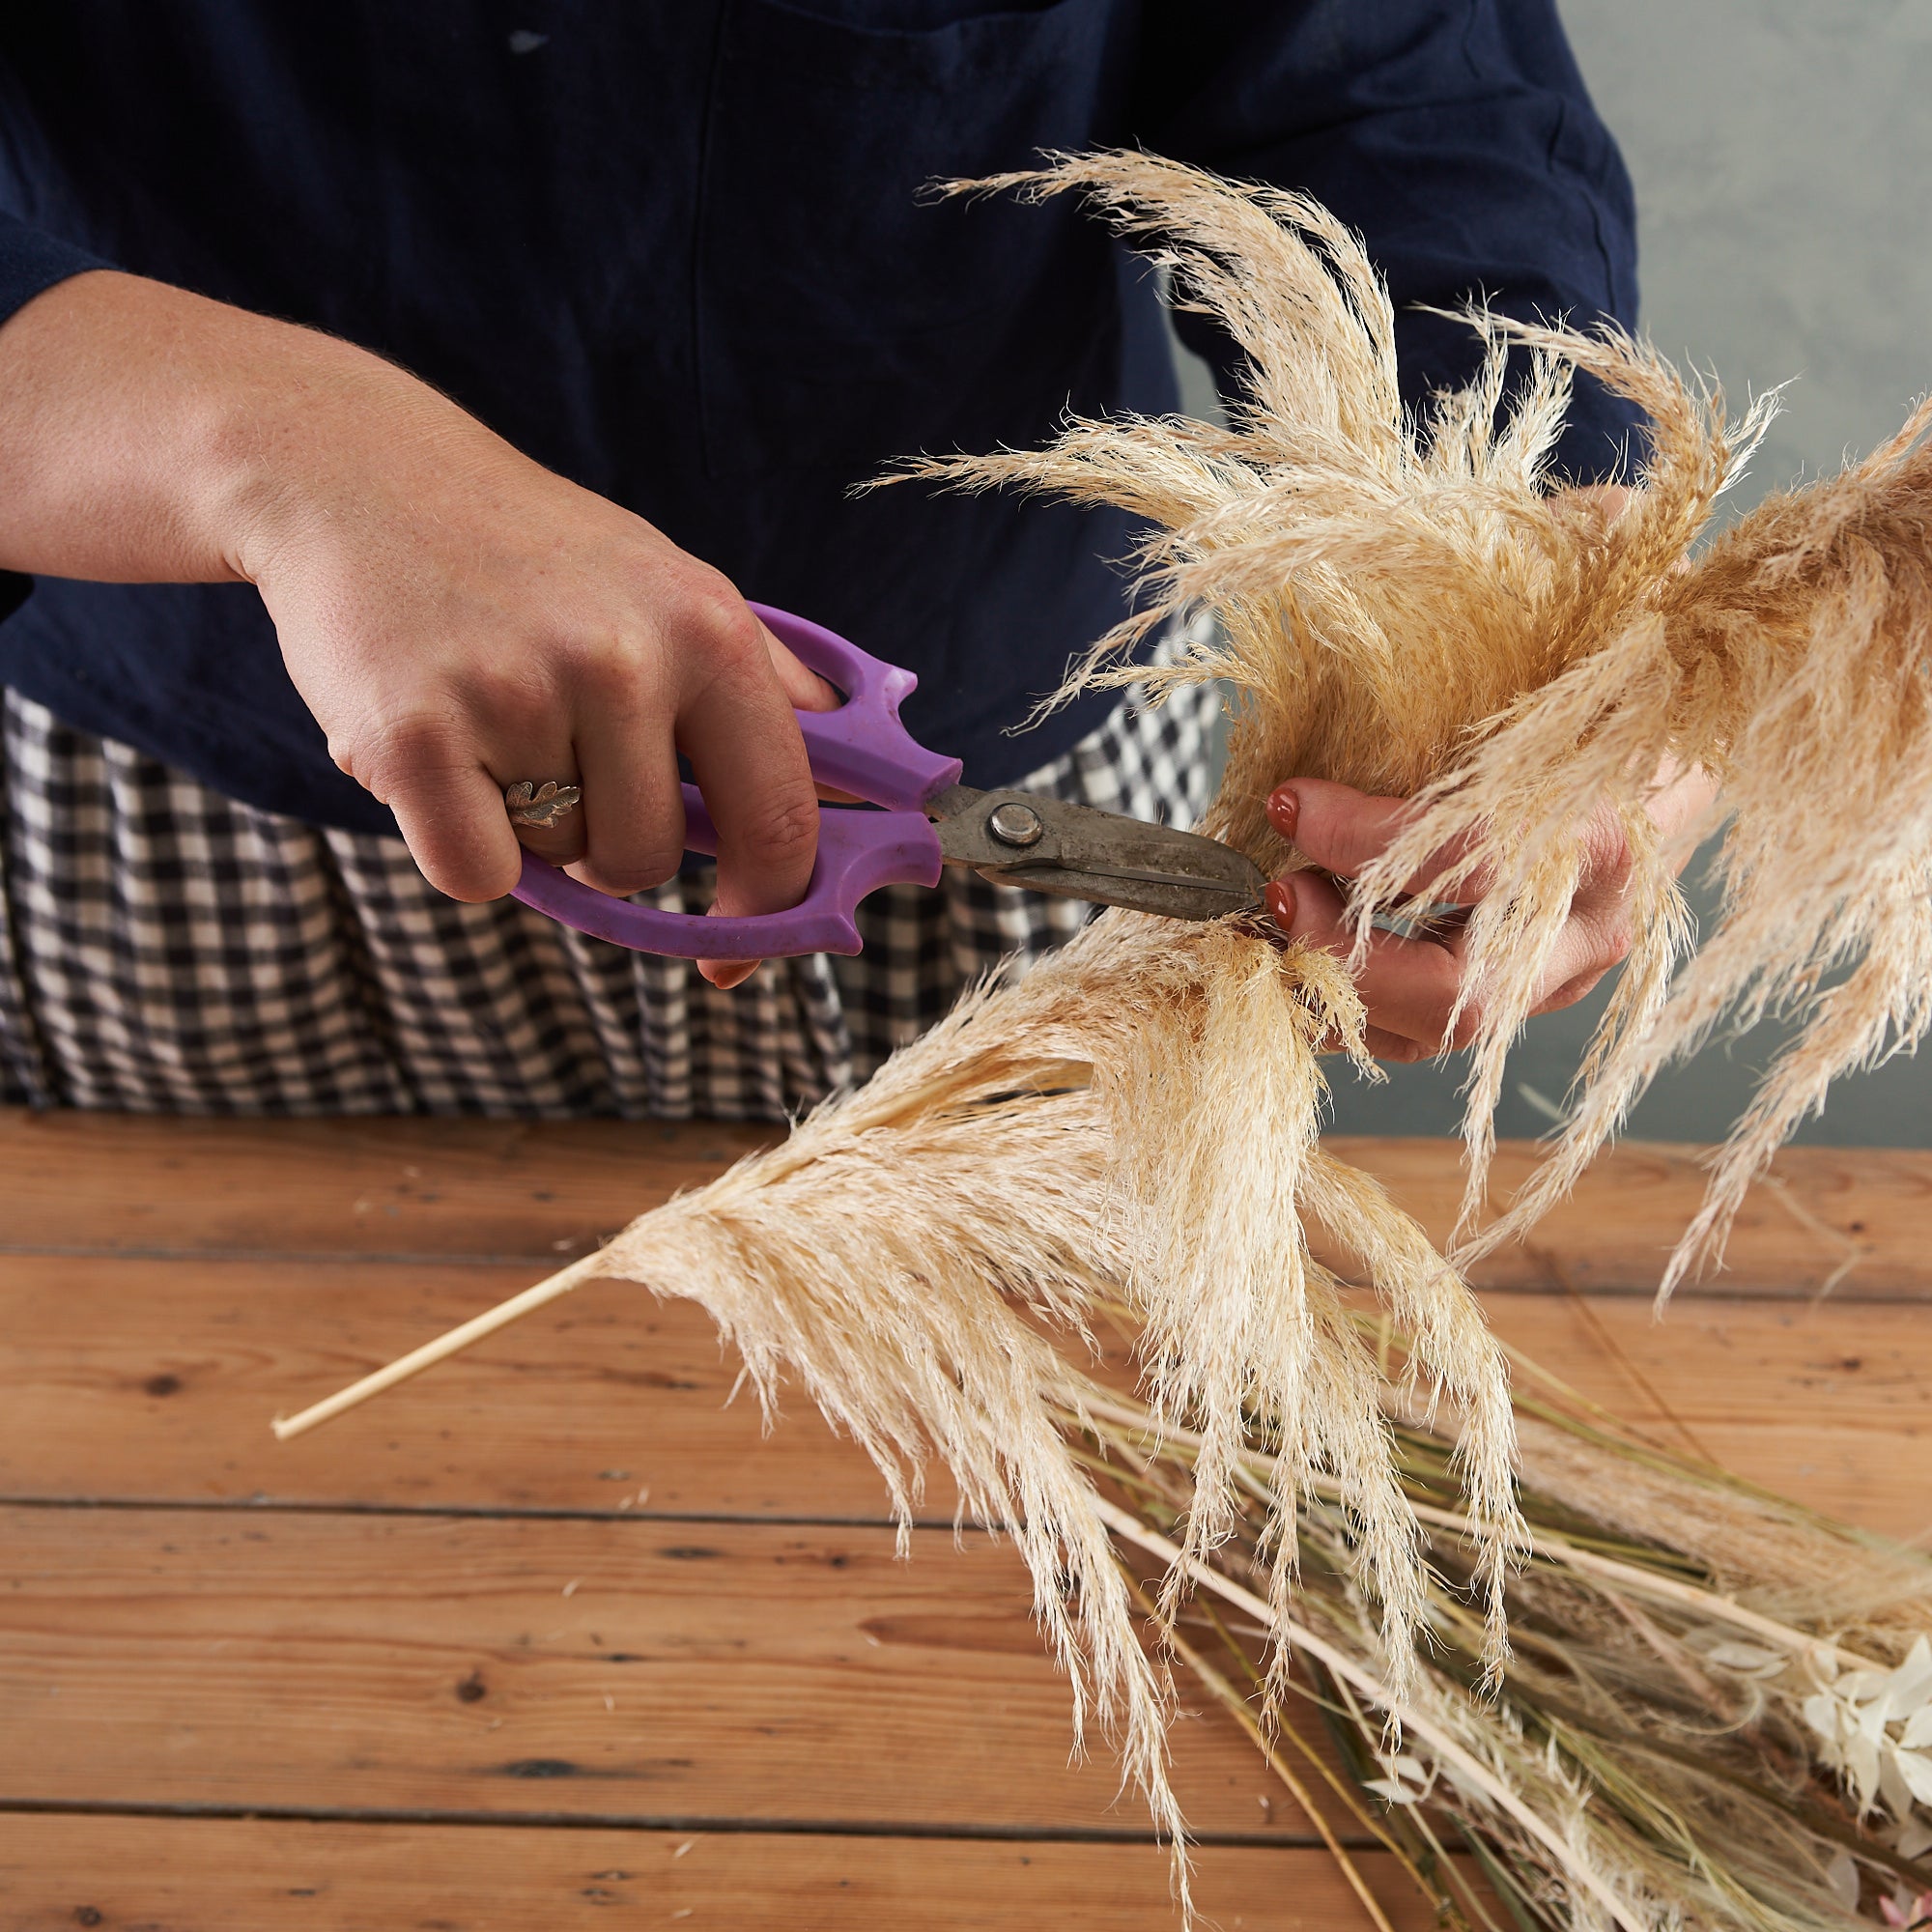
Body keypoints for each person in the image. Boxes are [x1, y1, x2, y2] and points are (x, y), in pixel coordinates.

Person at [0, 3, 1674, 1116]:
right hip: (188, 813)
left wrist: (1542, 606)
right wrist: (276, 447)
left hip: (1028, 806)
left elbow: (1404, 84)